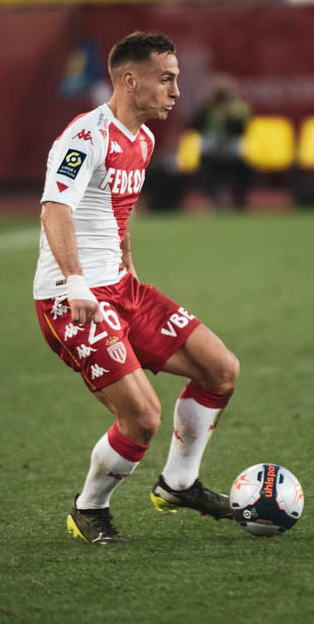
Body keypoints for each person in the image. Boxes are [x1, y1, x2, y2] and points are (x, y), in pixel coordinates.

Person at [33, 31, 241, 545]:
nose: (175, 91)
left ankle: (179, 483)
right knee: (143, 418)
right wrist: (76, 282)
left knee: (220, 370)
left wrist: (127, 261)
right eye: (165, 79)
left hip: (123, 290)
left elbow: (116, 213)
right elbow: (55, 209)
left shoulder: (143, 140)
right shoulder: (85, 136)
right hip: (72, 299)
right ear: (130, 80)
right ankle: (89, 508)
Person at [190, 78, 252, 210]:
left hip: (231, 151)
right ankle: (213, 200)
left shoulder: (239, 107)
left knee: (243, 169)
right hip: (211, 151)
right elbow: (194, 125)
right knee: (205, 169)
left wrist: (228, 115)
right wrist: (203, 106)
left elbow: (241, 130)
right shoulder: (207, 108)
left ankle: (237, 201)